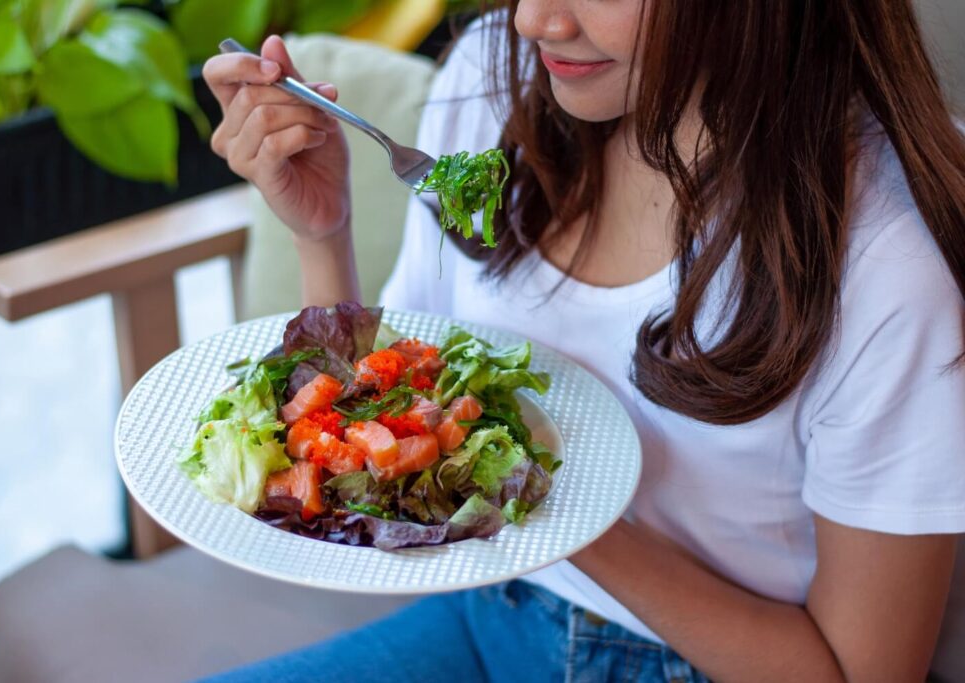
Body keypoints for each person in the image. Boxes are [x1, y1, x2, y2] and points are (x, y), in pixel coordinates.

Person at [200, 1, 965, 680]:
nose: (535, 19)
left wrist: (547, 500)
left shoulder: (880, 269)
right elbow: (386, 401)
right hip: (486, 610)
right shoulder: (489, 82)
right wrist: (321, 235)